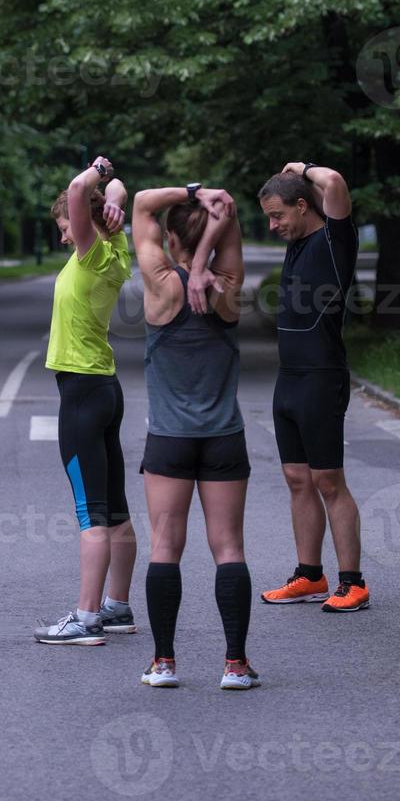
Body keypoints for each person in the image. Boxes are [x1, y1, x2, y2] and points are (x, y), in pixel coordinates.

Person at [131, 182, 258, 690]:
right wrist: (220, 212)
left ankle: (163, 663)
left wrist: (194, 191)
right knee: (229, 548)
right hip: (224, 437)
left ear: (170, 241)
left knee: (165, 546)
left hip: (169, 440)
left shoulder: (161, 286)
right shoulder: (225, 290)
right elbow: (231, 220)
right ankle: (234, 665)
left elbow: (140, 203)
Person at [33, 156, 137, 645]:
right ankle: (117, 607)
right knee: (116, 510)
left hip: (80, 392)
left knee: (90, 513)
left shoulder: (92, 252)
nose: (64, 238)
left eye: (66, 229)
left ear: (85, 225)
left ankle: (87, 617)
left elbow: (80, 189)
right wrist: (113, 198)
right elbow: (106, 194)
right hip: (105, 388)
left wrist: (98, 171)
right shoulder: (117, 248)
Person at [257, 161, 369, 613]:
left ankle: (353, 583)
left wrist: (302, 167)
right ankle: (309, 575)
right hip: (289, 378)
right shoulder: (298, 243)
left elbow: (336, 183)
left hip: (323, 376)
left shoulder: (334, 240)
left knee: (328, 480)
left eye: (278, 215)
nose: (272, 225)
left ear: (304, 206)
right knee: (296, 478)